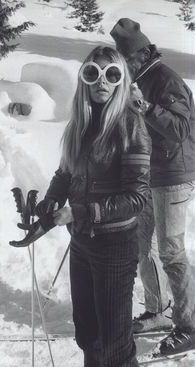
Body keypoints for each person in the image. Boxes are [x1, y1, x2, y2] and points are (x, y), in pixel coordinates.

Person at [34, 46, 151, 366]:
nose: (102, 81)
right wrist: (49, 202)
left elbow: (136, 198)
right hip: (83, 242)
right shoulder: (80, 125)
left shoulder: (130, 125)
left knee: (115, 343)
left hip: (114, 246)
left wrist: (82, 212)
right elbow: (65, 174)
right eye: (92, 73)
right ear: (84, 78)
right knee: (88, 335)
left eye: (112, 74)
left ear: (121, 81)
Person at [110, 18, 195, 356]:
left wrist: (144, 106)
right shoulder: (137, 80)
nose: (123, 66)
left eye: (126, 59)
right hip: (147, 176)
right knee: (142, 246)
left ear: (142, 54)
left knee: (171, 251)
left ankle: (188, 325)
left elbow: (180, 129)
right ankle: (158, 311)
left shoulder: (165, 79)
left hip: (174, 176)